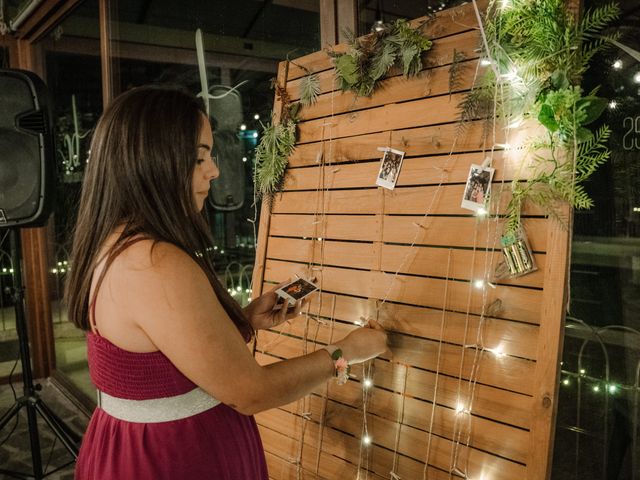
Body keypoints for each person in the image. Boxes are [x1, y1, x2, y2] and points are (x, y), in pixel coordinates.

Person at [65, 85, 387, 480]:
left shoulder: (115, 243)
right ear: (155, 162)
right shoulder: (153, 263)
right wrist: (344, 354)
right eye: (200, 157)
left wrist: (244, 321)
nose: (214, 170)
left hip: (139, 446)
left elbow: (163, 349)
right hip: (173, 457)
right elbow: (251, 392)